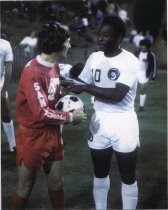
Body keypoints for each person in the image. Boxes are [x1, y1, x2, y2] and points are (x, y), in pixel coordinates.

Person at [64, 15, 140, 210]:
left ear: (119, 37)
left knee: (128, 175)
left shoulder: (129, 60)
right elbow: (79, 85)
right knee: (100, 172)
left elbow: (117, 94)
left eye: (107, 35)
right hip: (99, 121)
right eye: (100, 34)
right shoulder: (94, 57)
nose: (101, 39)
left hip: (124, 123)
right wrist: (64, 79)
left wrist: (86, 86)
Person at [11, 21, 87, 209]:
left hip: (52, 133)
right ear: (57, 45)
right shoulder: (32, 72)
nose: (70, 45)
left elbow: (50, 98)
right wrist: (71, 117)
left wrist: (66, 94)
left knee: (56, 183)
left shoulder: (54, 66)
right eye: (67, 42)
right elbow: (41, 113)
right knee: (25, 188)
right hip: (32, 137)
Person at [0, 37, 16, 153]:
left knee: (5, 115)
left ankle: (13, 145)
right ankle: (13, 146)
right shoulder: (5, 44)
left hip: (0, 86)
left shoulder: (5, 44)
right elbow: (9, 69)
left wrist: (3, 89)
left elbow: (9, 69)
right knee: (5, 115)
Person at [137, 39, 157, 112]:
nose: (141, 47)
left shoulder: (151, 55)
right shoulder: (137, 53)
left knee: (142, 89)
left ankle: (141, 107)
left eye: (143, 45)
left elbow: (154, 67)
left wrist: (153, 78)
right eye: (141, 45)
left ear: (147, 47)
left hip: (144, 75)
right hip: (135, 73)